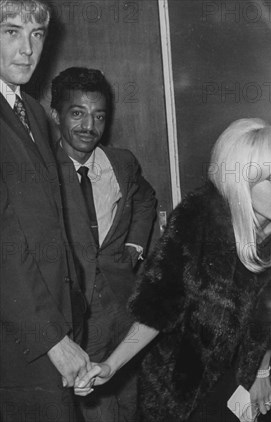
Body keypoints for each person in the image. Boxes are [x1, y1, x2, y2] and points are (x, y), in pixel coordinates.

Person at [74, 118, 271, 422]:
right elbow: (158, 310)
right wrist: (111, 365)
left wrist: (263, 370)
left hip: (257, 377)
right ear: (239, 181)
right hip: (184, 381)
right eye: (270, 179)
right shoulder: (197, 223)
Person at [51, 67, 157, 422]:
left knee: (129, 395)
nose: (88, 126)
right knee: (93, 402)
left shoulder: (121, 162)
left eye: (98, 116)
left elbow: (146, 199)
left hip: (123, 301)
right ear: (56, 115)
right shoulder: (42, 171)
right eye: (77, 113)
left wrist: (136, 246)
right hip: (77, 311)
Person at [0, 1, 90, 420]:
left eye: (36, 35)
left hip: (47, 324)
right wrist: (53, 339)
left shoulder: (33, 112)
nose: (26, 50)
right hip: (18, 339)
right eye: (11, 32)